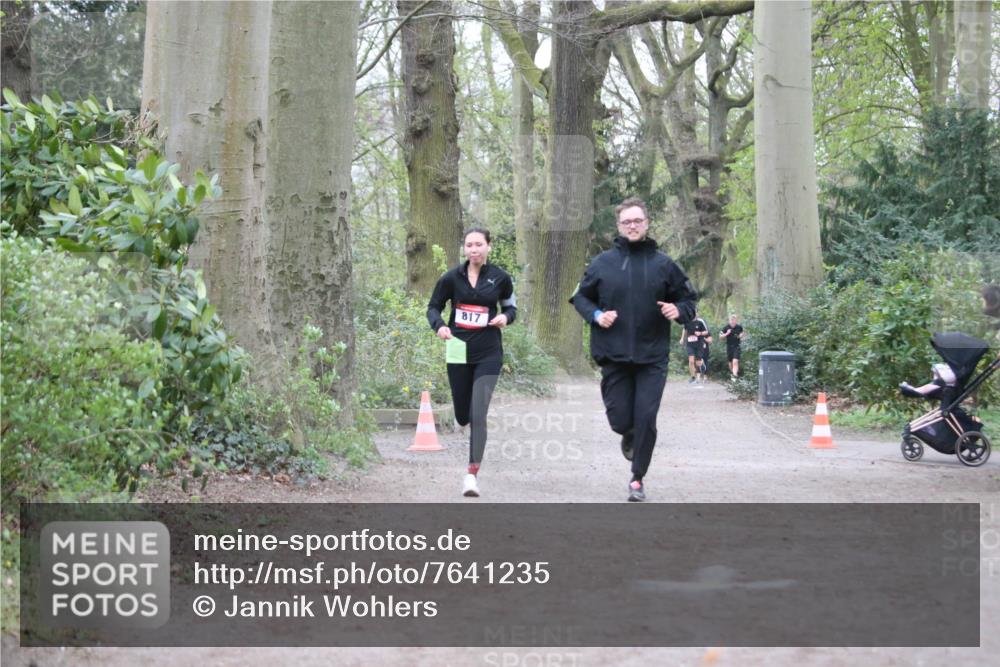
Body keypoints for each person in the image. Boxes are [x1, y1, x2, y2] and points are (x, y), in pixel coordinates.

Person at [570, 197, 698, 502]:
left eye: (637, 221)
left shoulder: (664, 265)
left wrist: (678, 311)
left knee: (646, 417)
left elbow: (689, 301)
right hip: (612, 355)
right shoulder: (602, 263)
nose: (632, 226)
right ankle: (629, 434)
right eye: (626, 222)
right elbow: (581, 299)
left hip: (652, 356)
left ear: (647, 223)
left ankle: (637, 478)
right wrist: (598, 316)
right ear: (619, 226)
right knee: (620, 420)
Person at [427, 228, 516, 498]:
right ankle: (461, 417)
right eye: (469, 245)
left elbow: (511, 308)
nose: (474, 249)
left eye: (479, 244)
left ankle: (471, 474)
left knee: (478, 414)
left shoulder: (501, 278)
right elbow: (433, 307)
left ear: (488, 247)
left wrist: (505, 318)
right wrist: (439, 326)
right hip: (457, 349)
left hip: (489, 352)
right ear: (464, 249)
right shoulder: (451, 278)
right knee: (463, 415)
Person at [679, 312, 709, 383]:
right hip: (690, 344)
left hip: (699, 344)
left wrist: (700, 333)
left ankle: (702, 365)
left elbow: (706, 332)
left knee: (698, 362)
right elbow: (684, 329)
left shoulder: (700, 322)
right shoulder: (687, 322)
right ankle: (693, 377)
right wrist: (682, 338)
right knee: (691, 361)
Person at [719, 314, 746, 378]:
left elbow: (743, 334)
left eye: (734, 320)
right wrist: (727, 333)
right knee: (730, 363)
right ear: (729, 320)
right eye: (731, 320)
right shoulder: (726, 327)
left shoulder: (739, 327)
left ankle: (734, 376)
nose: (733, 321)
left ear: (736, 321)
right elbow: (720, 337)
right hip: (729, 347)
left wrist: (741, 336)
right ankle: (732, 373)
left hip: (737, 346)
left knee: (735, 361)